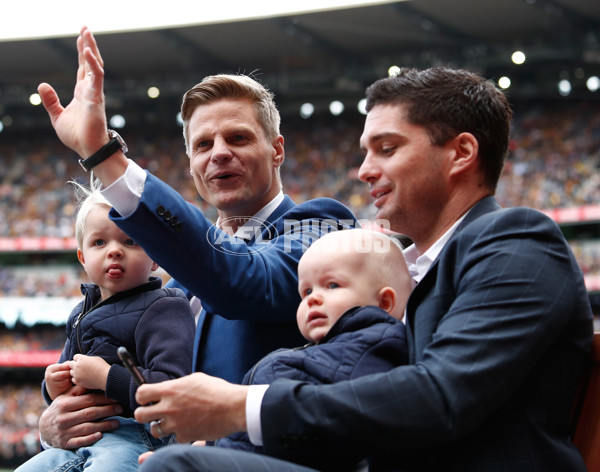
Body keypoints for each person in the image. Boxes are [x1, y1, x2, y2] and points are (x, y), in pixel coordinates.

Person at [133, 67, 594, 472]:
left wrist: (243, 407)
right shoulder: (398, 271)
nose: (363, 171)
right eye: (365, 151)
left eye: (387, 148)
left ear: (461, 153)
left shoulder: (516, 241)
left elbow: (439, 397)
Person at [36, 26, 357, 450]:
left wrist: (105, 158)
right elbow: (131, 379)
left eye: (238, 137)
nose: (218, 152)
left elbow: (240, 279)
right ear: (191, 164)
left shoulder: (321, 226)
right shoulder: (173, 284)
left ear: (277, 149)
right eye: (202, 144)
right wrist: (57, 420)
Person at [15, 181, 195, 472]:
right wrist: (51, 387)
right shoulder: (80, 313)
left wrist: (107, 376)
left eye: (130, 241)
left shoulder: (164, 306)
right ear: (83, 258)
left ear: (154, 259)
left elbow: (171, 386)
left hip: (137, 436)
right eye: (100, 242)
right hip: (83, 437)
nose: (114, 251)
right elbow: (65, 382)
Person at [210, 228, 410, 470]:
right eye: (306, 291)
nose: (313, 298)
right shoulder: (329, 351)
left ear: (384, 302)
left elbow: (346, 428)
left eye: (332, 285)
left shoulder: (376, 349)